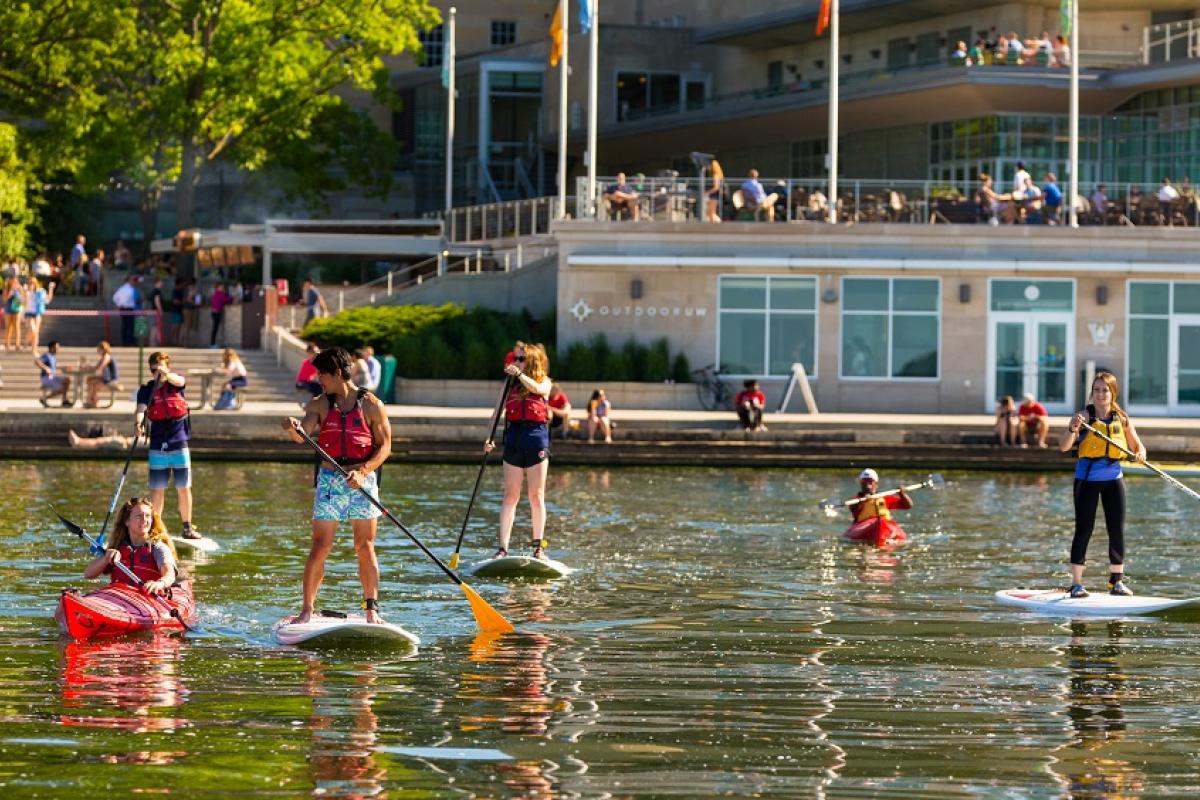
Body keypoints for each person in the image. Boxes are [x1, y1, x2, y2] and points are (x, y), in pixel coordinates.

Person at [282, 346, 392, 624]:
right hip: (331, 481)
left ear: (338, 374)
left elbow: (386, 447)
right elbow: (303, 435)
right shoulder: (319, 404)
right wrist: (293, 428)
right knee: (320, 547)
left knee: (364, 545)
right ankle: (307, 609)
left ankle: (371, 609)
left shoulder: (371, 405)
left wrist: (364, 471)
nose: (319, 379)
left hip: (362, 482)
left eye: (323, 375)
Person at [1059, 372, 1147, 598]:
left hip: (1113, 480)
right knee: (1084, 529)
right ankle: (1076, 584)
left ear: (1112, 392)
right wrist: (1072, 429)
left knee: (1116, 530)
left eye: (1105, 390)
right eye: (1096, 389)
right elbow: (1064, 446)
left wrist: (1139, 454)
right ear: (1092, 392)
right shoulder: (1083, 416)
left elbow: (1138, 446)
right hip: (1087, 480)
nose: (1100, 394)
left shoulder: (1122, 418)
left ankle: (1116, 581)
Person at [482, 343, 553, 560]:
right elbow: (496, 413)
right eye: (515, 358)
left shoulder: (544, 381)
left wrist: (520, 374)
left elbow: (538, 390)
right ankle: (503, 548)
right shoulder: (509, 384)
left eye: (521, 359)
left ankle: (538, 547)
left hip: (536, 441)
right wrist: (489, 438)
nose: (516, 362)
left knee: (536, 495)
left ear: (530, 361)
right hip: (513, 440)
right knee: (510, 495)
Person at [135, 351, 200, 540]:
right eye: (155, 368)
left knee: (183, 487)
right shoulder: (147, 389)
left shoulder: (176, 383)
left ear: (168, 366)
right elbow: (140, 409)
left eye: (162, 366)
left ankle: (187, 527)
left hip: (179, 442)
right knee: (157, 489)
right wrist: (138, 423)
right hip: (157, 444)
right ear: (150, 370)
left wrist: (166, 374)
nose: (158, 371)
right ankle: (156, 528)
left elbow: (179, 380)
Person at [82, 497, 180, 597]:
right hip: (119, 598)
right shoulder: (117, 548)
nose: (144, 520)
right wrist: (106, 558)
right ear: (127, 521)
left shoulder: (158, 548)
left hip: (147, 600)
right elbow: (88, 574)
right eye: (138, 516)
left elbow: (170, 574)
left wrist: (160, 583)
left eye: (148, 516)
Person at [83, 340, 120, 408]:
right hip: (107, 377)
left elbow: (100, 368)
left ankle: (92, 401)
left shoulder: (107, 357)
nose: (97, 350)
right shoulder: (104, 357)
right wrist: (89, 366)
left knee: (93, 383)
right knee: (89, 380)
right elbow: (97, 367)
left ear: (103, 349)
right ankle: (93, 400)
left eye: (99, 349)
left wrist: (91, 368)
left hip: (111, 379)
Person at [36, 340, 73, 407]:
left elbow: (56, 366)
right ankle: (62, 400)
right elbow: (37, 361)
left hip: (53, 377)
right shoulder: (46, 356)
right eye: (57, 348)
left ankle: (63, 400)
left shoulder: (53, 357)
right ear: (52, 347)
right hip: (47, 378)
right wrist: (46, 368)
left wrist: (66, 367)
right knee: (63, 387)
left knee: (67, 380)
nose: (58, 350)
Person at [112, 274, 140, 346]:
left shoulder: (122, 288)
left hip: (123, 308)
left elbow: (115, 297)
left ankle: (125, 342)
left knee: (125, 325)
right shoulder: (130, 289)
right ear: (129, 281)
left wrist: (119, 305)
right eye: (133, 281)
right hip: (128, 309)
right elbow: (134, 300)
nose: (134, 282)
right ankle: (129, 342)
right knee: (129, 326)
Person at [209, 282, 233, 348]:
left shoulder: (217, 293)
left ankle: (213, 343)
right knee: (215, 328)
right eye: (221, 287)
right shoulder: (219, 293)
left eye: (223, 287)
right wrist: (232, 297)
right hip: (216, 313)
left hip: (215, 312)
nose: (223, 288)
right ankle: (212, 344)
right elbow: (227, 299)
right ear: (218, 287)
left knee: (215, 328)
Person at [3, 274, 24, 350]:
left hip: (17, 309)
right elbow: (5, 300)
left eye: (15, 280)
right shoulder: (7, 288)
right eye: (12, 281)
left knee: (17, 327)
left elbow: (22, 300)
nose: (13, 282)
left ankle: (17, 344)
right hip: (8, 309)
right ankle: (7, 343)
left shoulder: (20, 288)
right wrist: (10, 292)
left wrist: (18, 296)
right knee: (8, 327)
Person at [68, 428, 134, 450]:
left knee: (99, 442)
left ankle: (79, 443)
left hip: (125, 443)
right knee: (99, 441)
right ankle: (79, 442)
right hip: (126, 442)